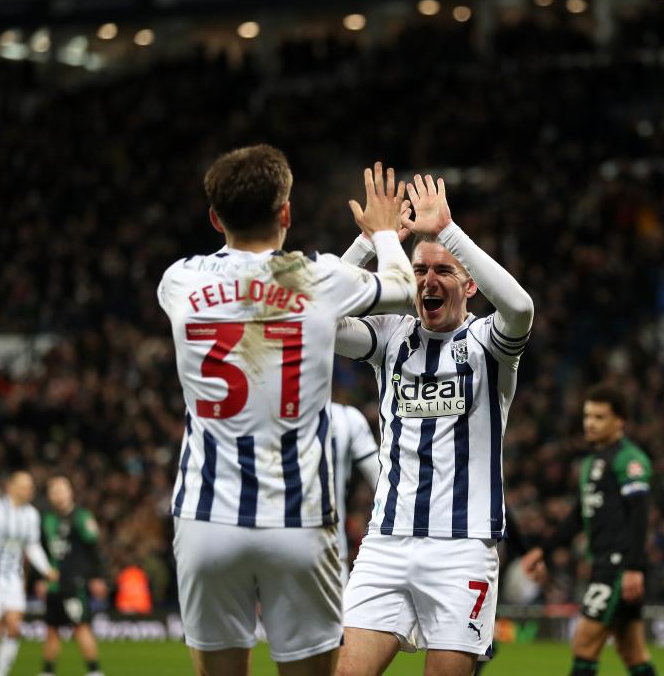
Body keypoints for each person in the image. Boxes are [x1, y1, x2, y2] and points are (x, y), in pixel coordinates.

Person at [157, 146, 416, 676]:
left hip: (207, 518)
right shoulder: (319, 277)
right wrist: (383, 234)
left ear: (214, 217)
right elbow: (400, 288)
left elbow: (282, 294)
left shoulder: (179, 279)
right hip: (298, 519)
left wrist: (360, 246)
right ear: (286, 213)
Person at [335, 174, 534, 675]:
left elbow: (520, 307)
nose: (427, 279)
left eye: (443, 269)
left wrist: (447, 231)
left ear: (469, 284)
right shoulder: (390, 337)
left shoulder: (488, 345)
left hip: (463, 549)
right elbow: (317, 316)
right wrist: (369, 241)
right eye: (419, 269)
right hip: (386, 541)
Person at [521, 384, 657, 676]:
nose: (590, 423)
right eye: (587, 416)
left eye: (599, 417)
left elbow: (640, 515)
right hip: (605, 564)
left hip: (618, 567)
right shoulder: (591, 462)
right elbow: (576, 518)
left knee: (584, 643)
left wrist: (634, 566)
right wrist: (542, 550)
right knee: (632, 652)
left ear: (619, 421)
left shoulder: (628, 459)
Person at [0, 471, 59, 676]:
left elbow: (32, 546)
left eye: (31, 486)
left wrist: (46, 569)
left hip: (13, 579)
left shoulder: (31, 515)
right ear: (10, 487)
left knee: (14, 629)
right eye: (24, 486)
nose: (29, 490)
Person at [37, 476, 107, 676]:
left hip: (74, 582)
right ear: (49, 496)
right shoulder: (46, 519)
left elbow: (94, 549)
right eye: (54, 491)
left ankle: (95, 672)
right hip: (52, 584)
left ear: (70, 492)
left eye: (62, 489)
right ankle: (47, 672)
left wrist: (97, 576)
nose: (58, 494)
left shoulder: (81, 517)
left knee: (81, 627)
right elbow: (41, 551)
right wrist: (41, 578)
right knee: (51, 630)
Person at [330, 402, 381, 582]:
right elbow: (384, 485)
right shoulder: (344, 418)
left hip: (265, 549)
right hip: (330, 558)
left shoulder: (261, 416)